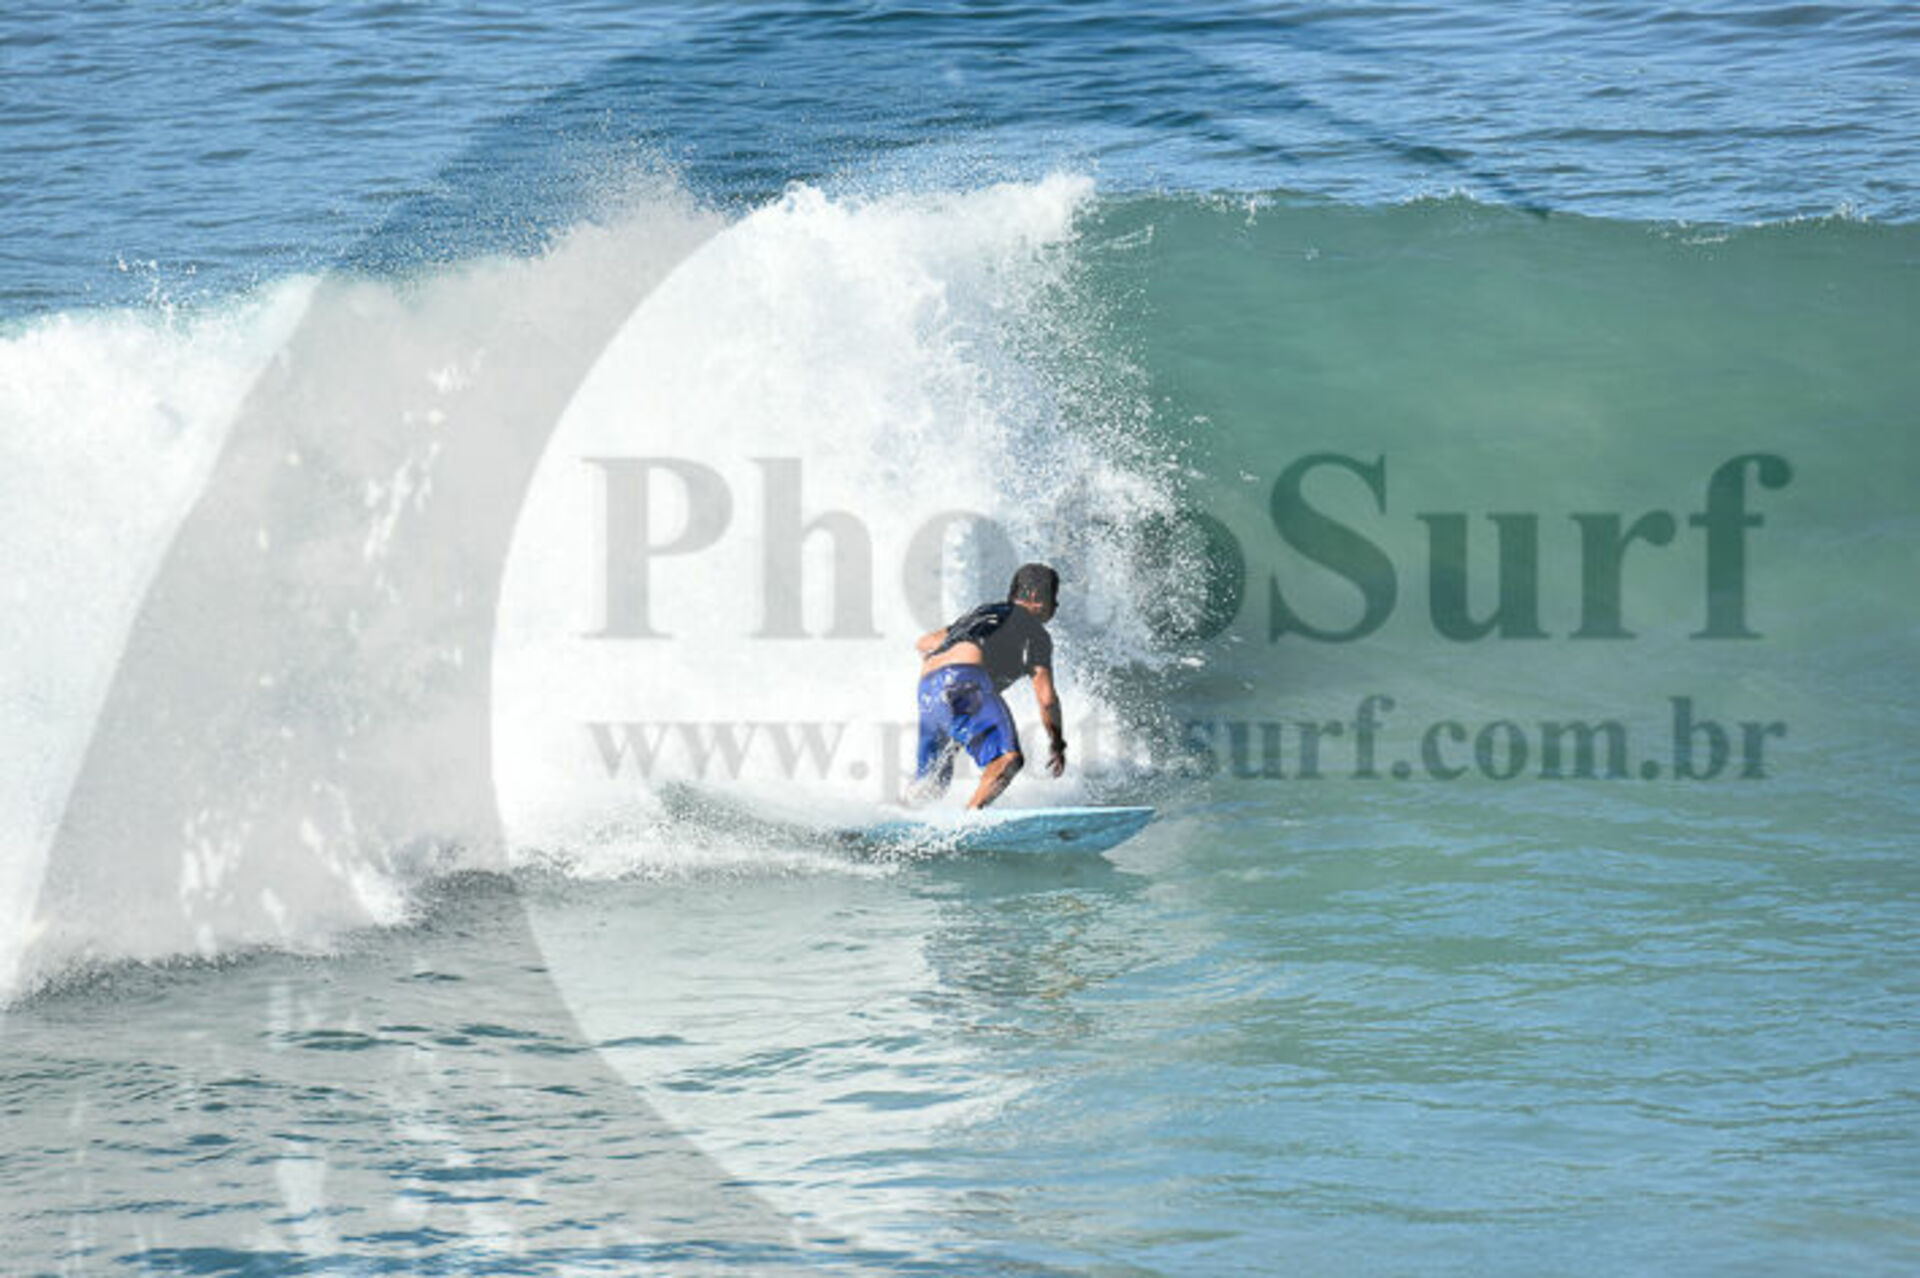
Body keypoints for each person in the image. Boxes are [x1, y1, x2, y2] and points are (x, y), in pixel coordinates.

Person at [910, 562, 1067, 809]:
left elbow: (924, 643)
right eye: (1053, 598)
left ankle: (900, 819)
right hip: (963, 683)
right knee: (1007, 759)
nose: (1056, 606)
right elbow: (1047, 700)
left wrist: (946, 668)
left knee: (931, 784)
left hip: (928, 689)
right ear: (1036, 598)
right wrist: (1057, 743)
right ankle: (968, 821)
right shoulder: (1035, 632)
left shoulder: (981, 613)